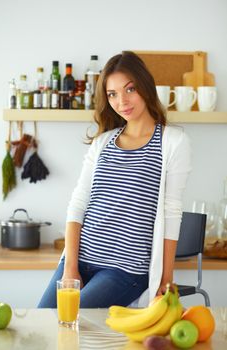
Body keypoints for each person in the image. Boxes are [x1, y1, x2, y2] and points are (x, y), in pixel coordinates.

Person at [38, 51, 191, 309]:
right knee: (42, 322)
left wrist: (166, 278)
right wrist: (70, 268)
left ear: (145, 86)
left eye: (130, 89)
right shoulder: (103, 142)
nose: (122, 101)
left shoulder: (173, 142)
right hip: (80, 259)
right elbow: (78, 205)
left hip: (125, 271)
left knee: (72, 322)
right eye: (113, 94)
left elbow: (172, 211)